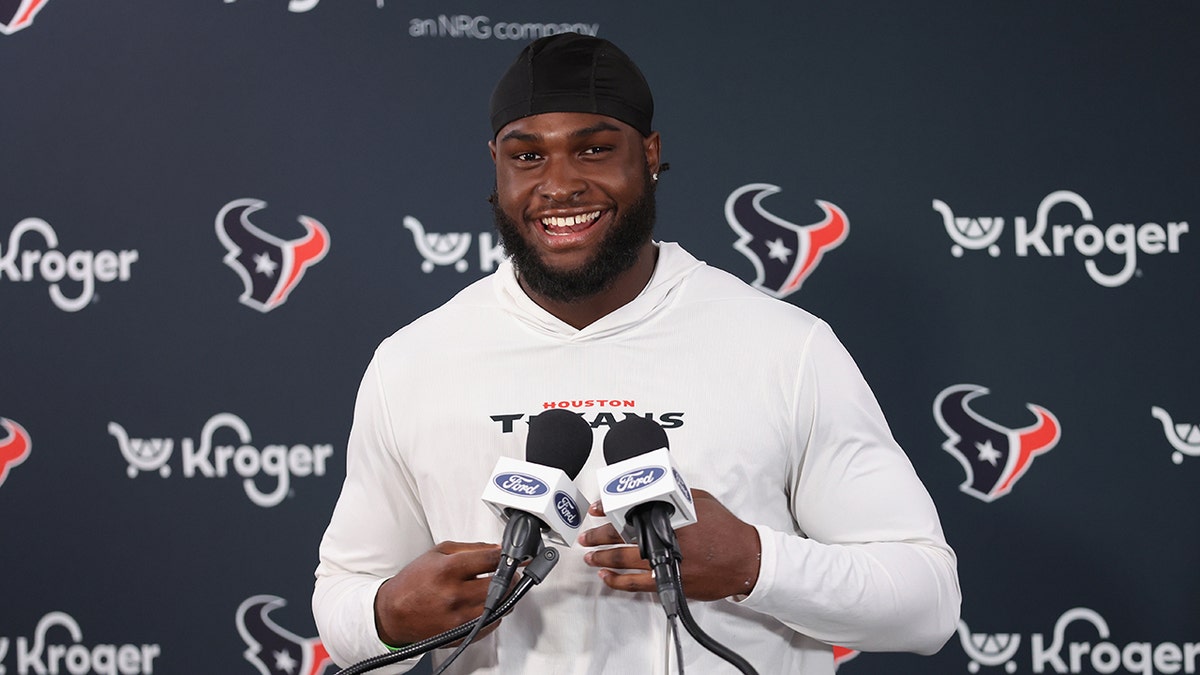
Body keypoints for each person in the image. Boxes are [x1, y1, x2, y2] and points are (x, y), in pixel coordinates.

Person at [313, 33, 960, 674]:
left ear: (649, 154)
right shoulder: (415, 360)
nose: (559, 184)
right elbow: (345, 598)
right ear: (496, 165)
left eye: (593, 149)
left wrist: (756, 564)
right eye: (528, 156)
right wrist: (388, 615)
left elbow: (927, 601)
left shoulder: (785, 347)